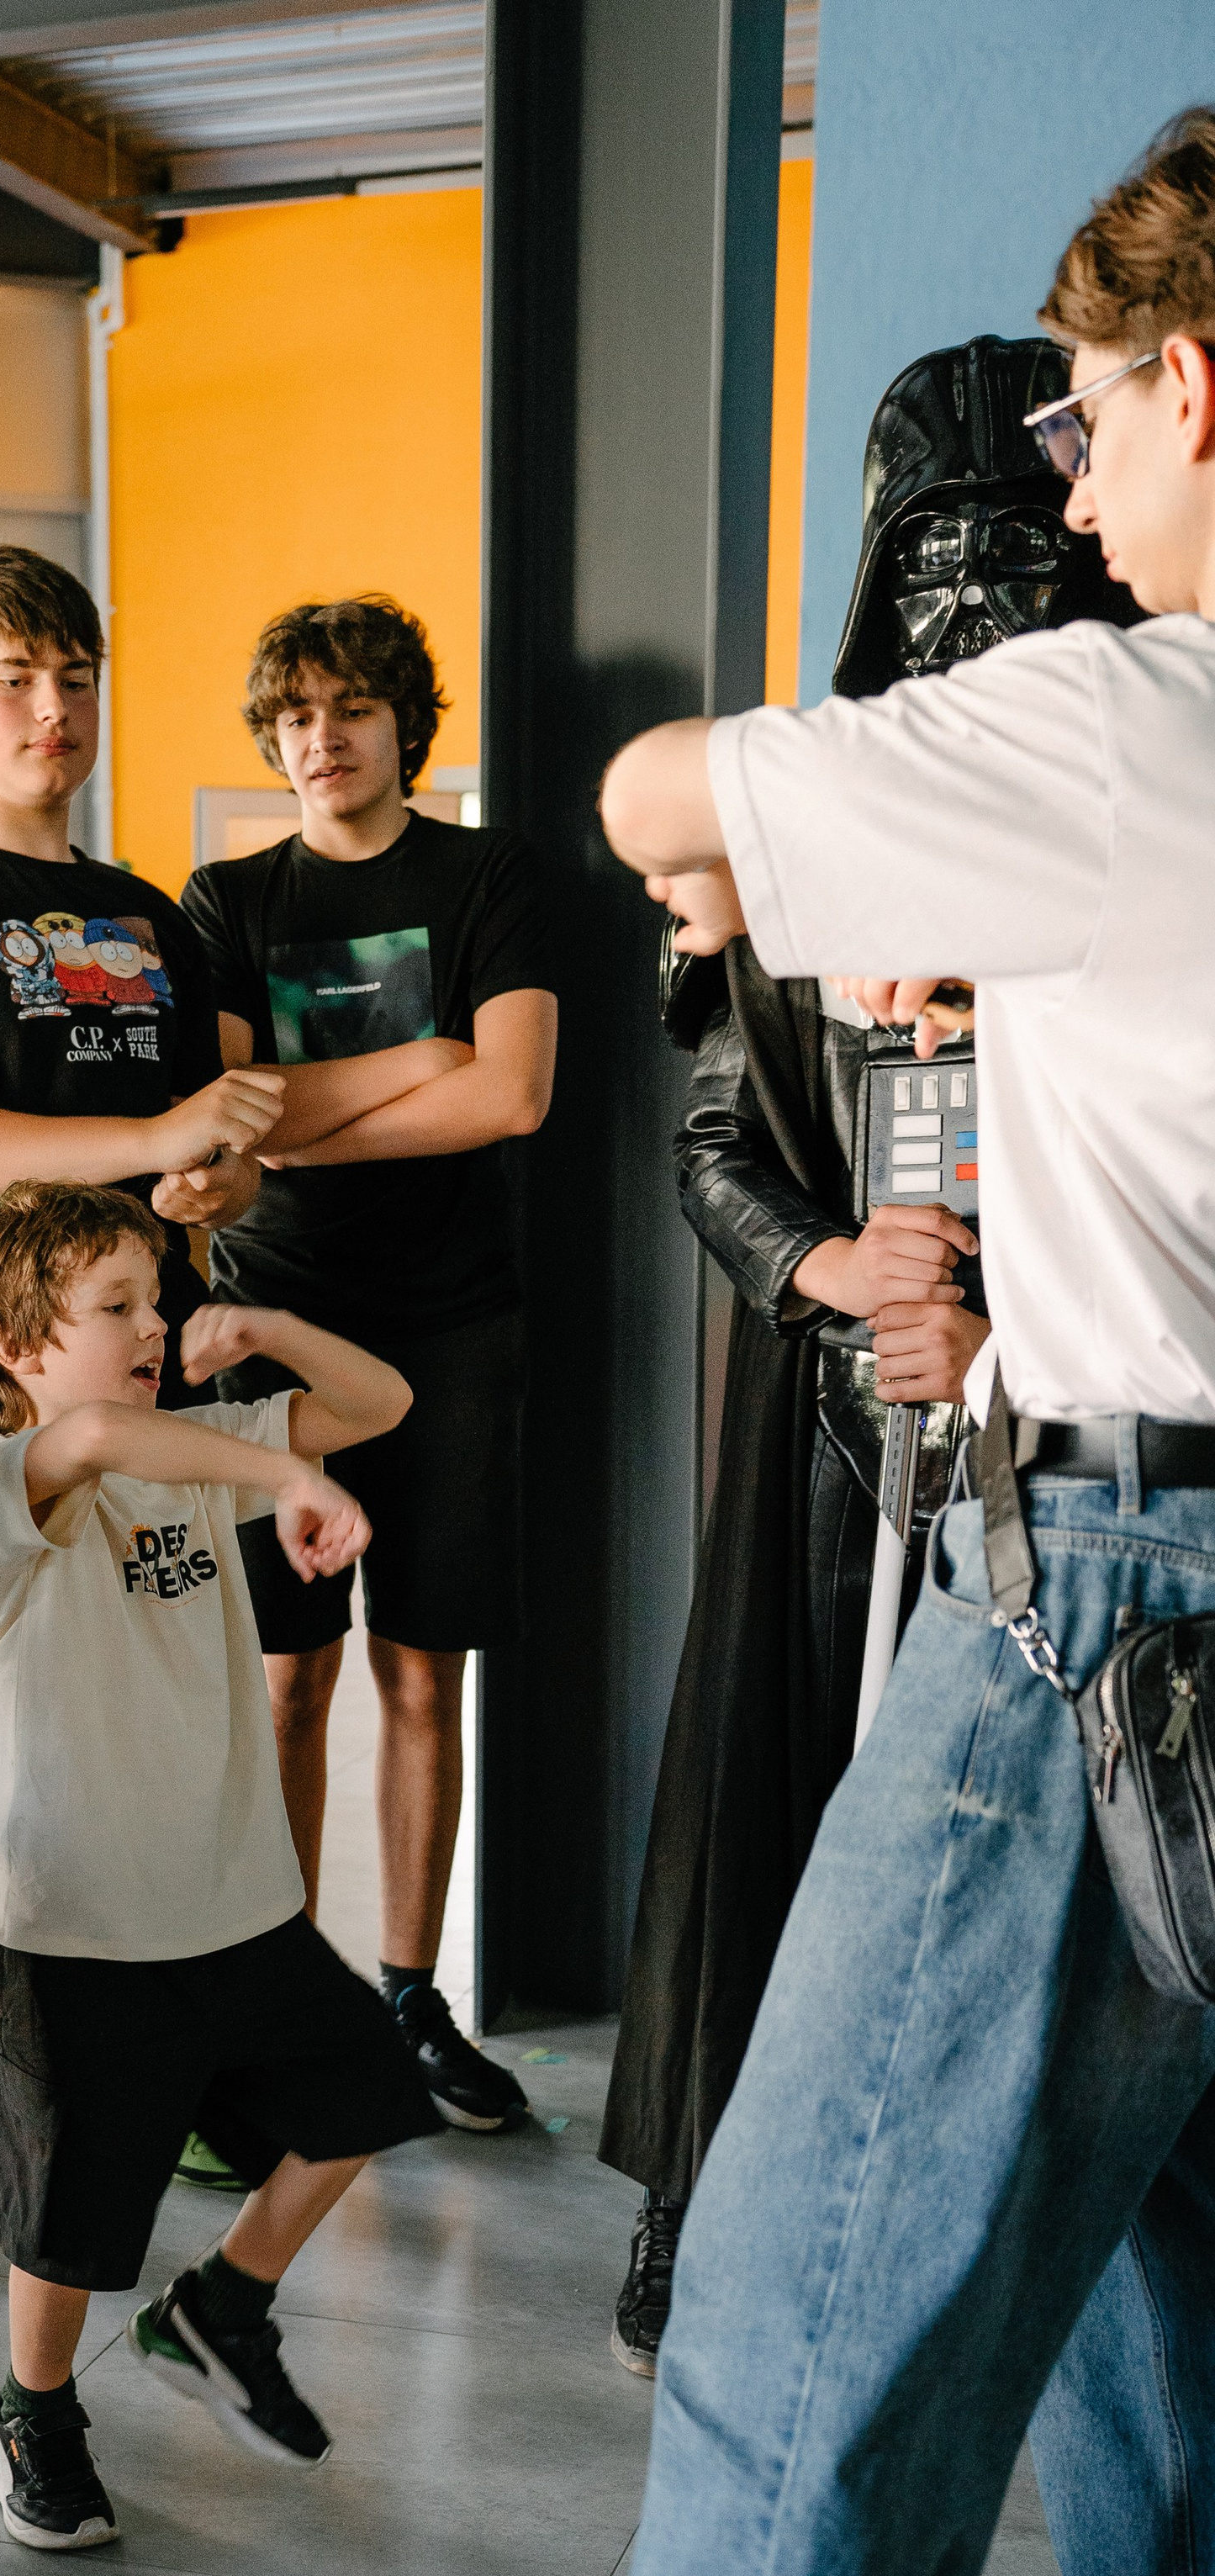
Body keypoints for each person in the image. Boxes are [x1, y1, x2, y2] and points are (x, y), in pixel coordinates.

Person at [322, 108, 1215, 2576]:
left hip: (1099, 1588)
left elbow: (640, 793)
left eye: (1096, 417)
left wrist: (754, 863)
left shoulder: (1126, 721)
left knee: (820, 2268)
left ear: (1194, 385)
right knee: (1167, 2283)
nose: (1075, 491)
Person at [600, 337, 1138, 2379]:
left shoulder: (1129, 836)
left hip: (1060, 1439)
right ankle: (698, 2199)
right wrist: (838, 1272)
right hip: (832, 1439)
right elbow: (716, 1140)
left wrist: (995, 1302)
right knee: (771, 1832)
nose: (978, 621)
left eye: (1019, 575)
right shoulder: (808, 862)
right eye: (932, 579)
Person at [0, 544, 282, 2262]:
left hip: (135, 1401)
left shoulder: (158, 917)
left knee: (136, 1740)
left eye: (74, 674)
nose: (51, 707)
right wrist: (145, 1145)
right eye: (13, 677)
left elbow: (205, 1134)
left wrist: (204, 1184)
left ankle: (157, 2069)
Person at [0, 1180, 432, 2547]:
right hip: (71, 1924)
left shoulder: (201, 1443)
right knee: (67, 2216)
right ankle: (33, 2409)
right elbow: (92, 1434)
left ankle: (221, 2302)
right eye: (116, 1306)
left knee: (364, 2097)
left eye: (161, 1297)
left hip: (234, 1903)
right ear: (15, 1346)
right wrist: (282, 1475)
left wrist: (261, 1327)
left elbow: (379, 1401)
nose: (156, 1324)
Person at [182, 600, 557, 2143]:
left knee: (423, 1670)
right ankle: (284, 1998)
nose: (318, 738)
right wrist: (419, 1062)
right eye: (292, 717)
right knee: (286, 1676)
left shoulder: (488, 875)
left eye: (349, 708)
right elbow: (221, 1117)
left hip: (456, 1319)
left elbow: (516, 1093)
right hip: (274, 1319)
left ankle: (408, 1999)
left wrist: (298, 1112)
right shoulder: (225, 896)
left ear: (409, 721)